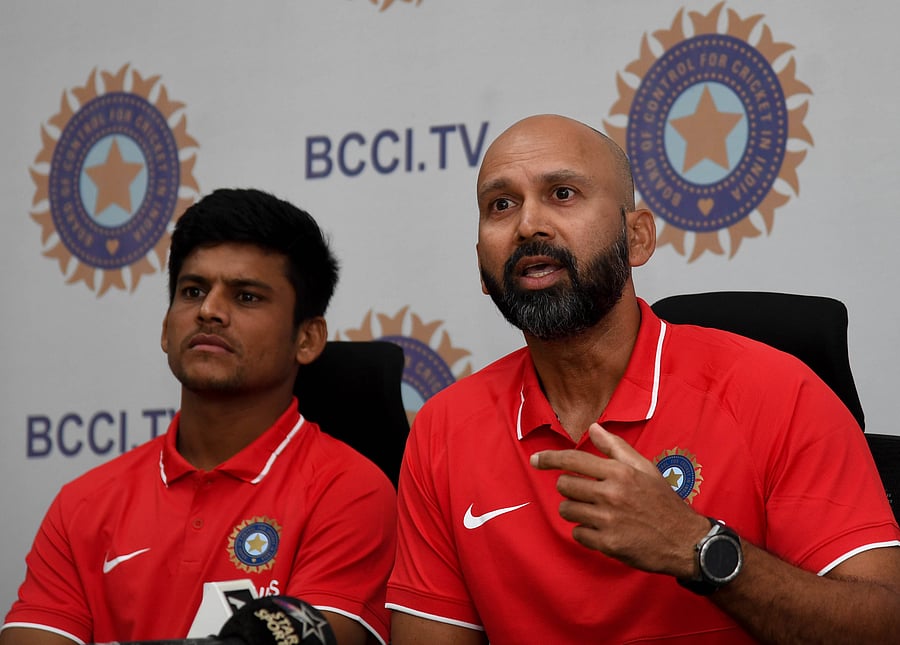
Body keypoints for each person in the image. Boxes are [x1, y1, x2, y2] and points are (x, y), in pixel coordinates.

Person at [385, 115, 900, 643]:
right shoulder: (443, 428)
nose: (527, 225)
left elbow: (883, 623)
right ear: (481, 268)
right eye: (502, 205)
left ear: (636, 237)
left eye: (562, 193)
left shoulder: (775, 391)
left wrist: (697, 548)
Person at [1, 188, 397, 645]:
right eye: (192, 291)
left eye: (246, 297)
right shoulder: (83, 504)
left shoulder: (350, 493)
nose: (209, 311)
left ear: (307, 338)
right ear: (167, 327)